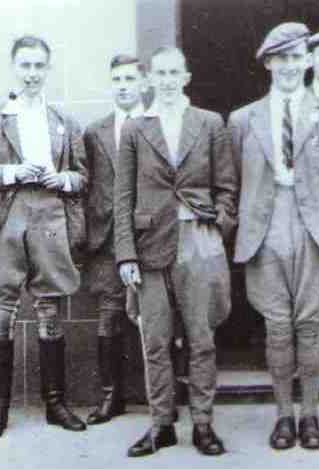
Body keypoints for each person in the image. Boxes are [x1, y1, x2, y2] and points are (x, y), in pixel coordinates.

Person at [228, 22, 319, 450]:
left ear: (306, 61)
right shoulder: (244, 118)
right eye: (280, 58)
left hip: (315, 227)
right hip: (266, 228)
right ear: (268, 63)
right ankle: (283, 417)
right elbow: (232, 183)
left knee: (310, 326)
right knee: (277, 328)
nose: (288, 66)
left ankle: (310, 417)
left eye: (295, 57)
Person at [0, 35, 88, 439]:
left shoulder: (64, 122)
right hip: (6, 218)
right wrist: (12, 172)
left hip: (50, 215)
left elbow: (83, 177)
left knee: (49, 307)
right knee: (4, 307)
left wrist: (62, 177)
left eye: (39, 66)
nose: (32, 74)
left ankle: (55, 404)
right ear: (14, 68)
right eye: (25, 66)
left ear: (48, 70)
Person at [115, 46, 237, 457]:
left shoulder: (208, 123)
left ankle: (203, 423)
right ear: (150, 79)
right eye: (160, 73)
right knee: (156, 341)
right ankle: (161, 424)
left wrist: (218, 225)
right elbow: (123, 196)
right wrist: (126, 256)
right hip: (150, 247)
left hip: (198, 240)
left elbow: (227, 186)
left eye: (174, 73)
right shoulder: (135, 129)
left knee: (201, 338)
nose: (167, 81)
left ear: (186, 77)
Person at [82, 54, 146, 425]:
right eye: (117, 79)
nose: (123, 85)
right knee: (109, 318)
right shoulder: (95, 132)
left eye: (129, 78)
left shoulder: (156, 124)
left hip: (149, 235)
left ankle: (160, 393)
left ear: (143, 83)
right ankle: (112, 397)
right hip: (107, 239)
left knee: (156, 316)